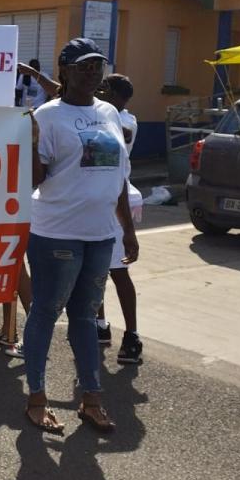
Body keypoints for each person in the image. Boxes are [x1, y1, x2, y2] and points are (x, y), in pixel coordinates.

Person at [23, 38, 138, 435]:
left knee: (86, 318)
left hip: (101, 235)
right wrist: (32, 144)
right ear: (65, 71)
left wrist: (128, 230)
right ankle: (36, 398)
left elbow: (118, 177)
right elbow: (33, 182)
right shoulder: (47, 116)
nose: (92, 73)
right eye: (83, 66)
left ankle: (91, 399)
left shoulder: (109, 112)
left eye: (97, 66)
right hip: (56, 233)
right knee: (44, 313)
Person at [95, 73, 145, 363]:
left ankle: (132, 336)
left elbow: (122, 135)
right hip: (98, 204)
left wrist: (128, 230)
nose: (98, 91)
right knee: (95, 272)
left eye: (103, 88)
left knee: (118, 272)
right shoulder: (98, 112)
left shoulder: (124, 120)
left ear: (113, 92)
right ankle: (100, 325)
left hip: (118, 203)